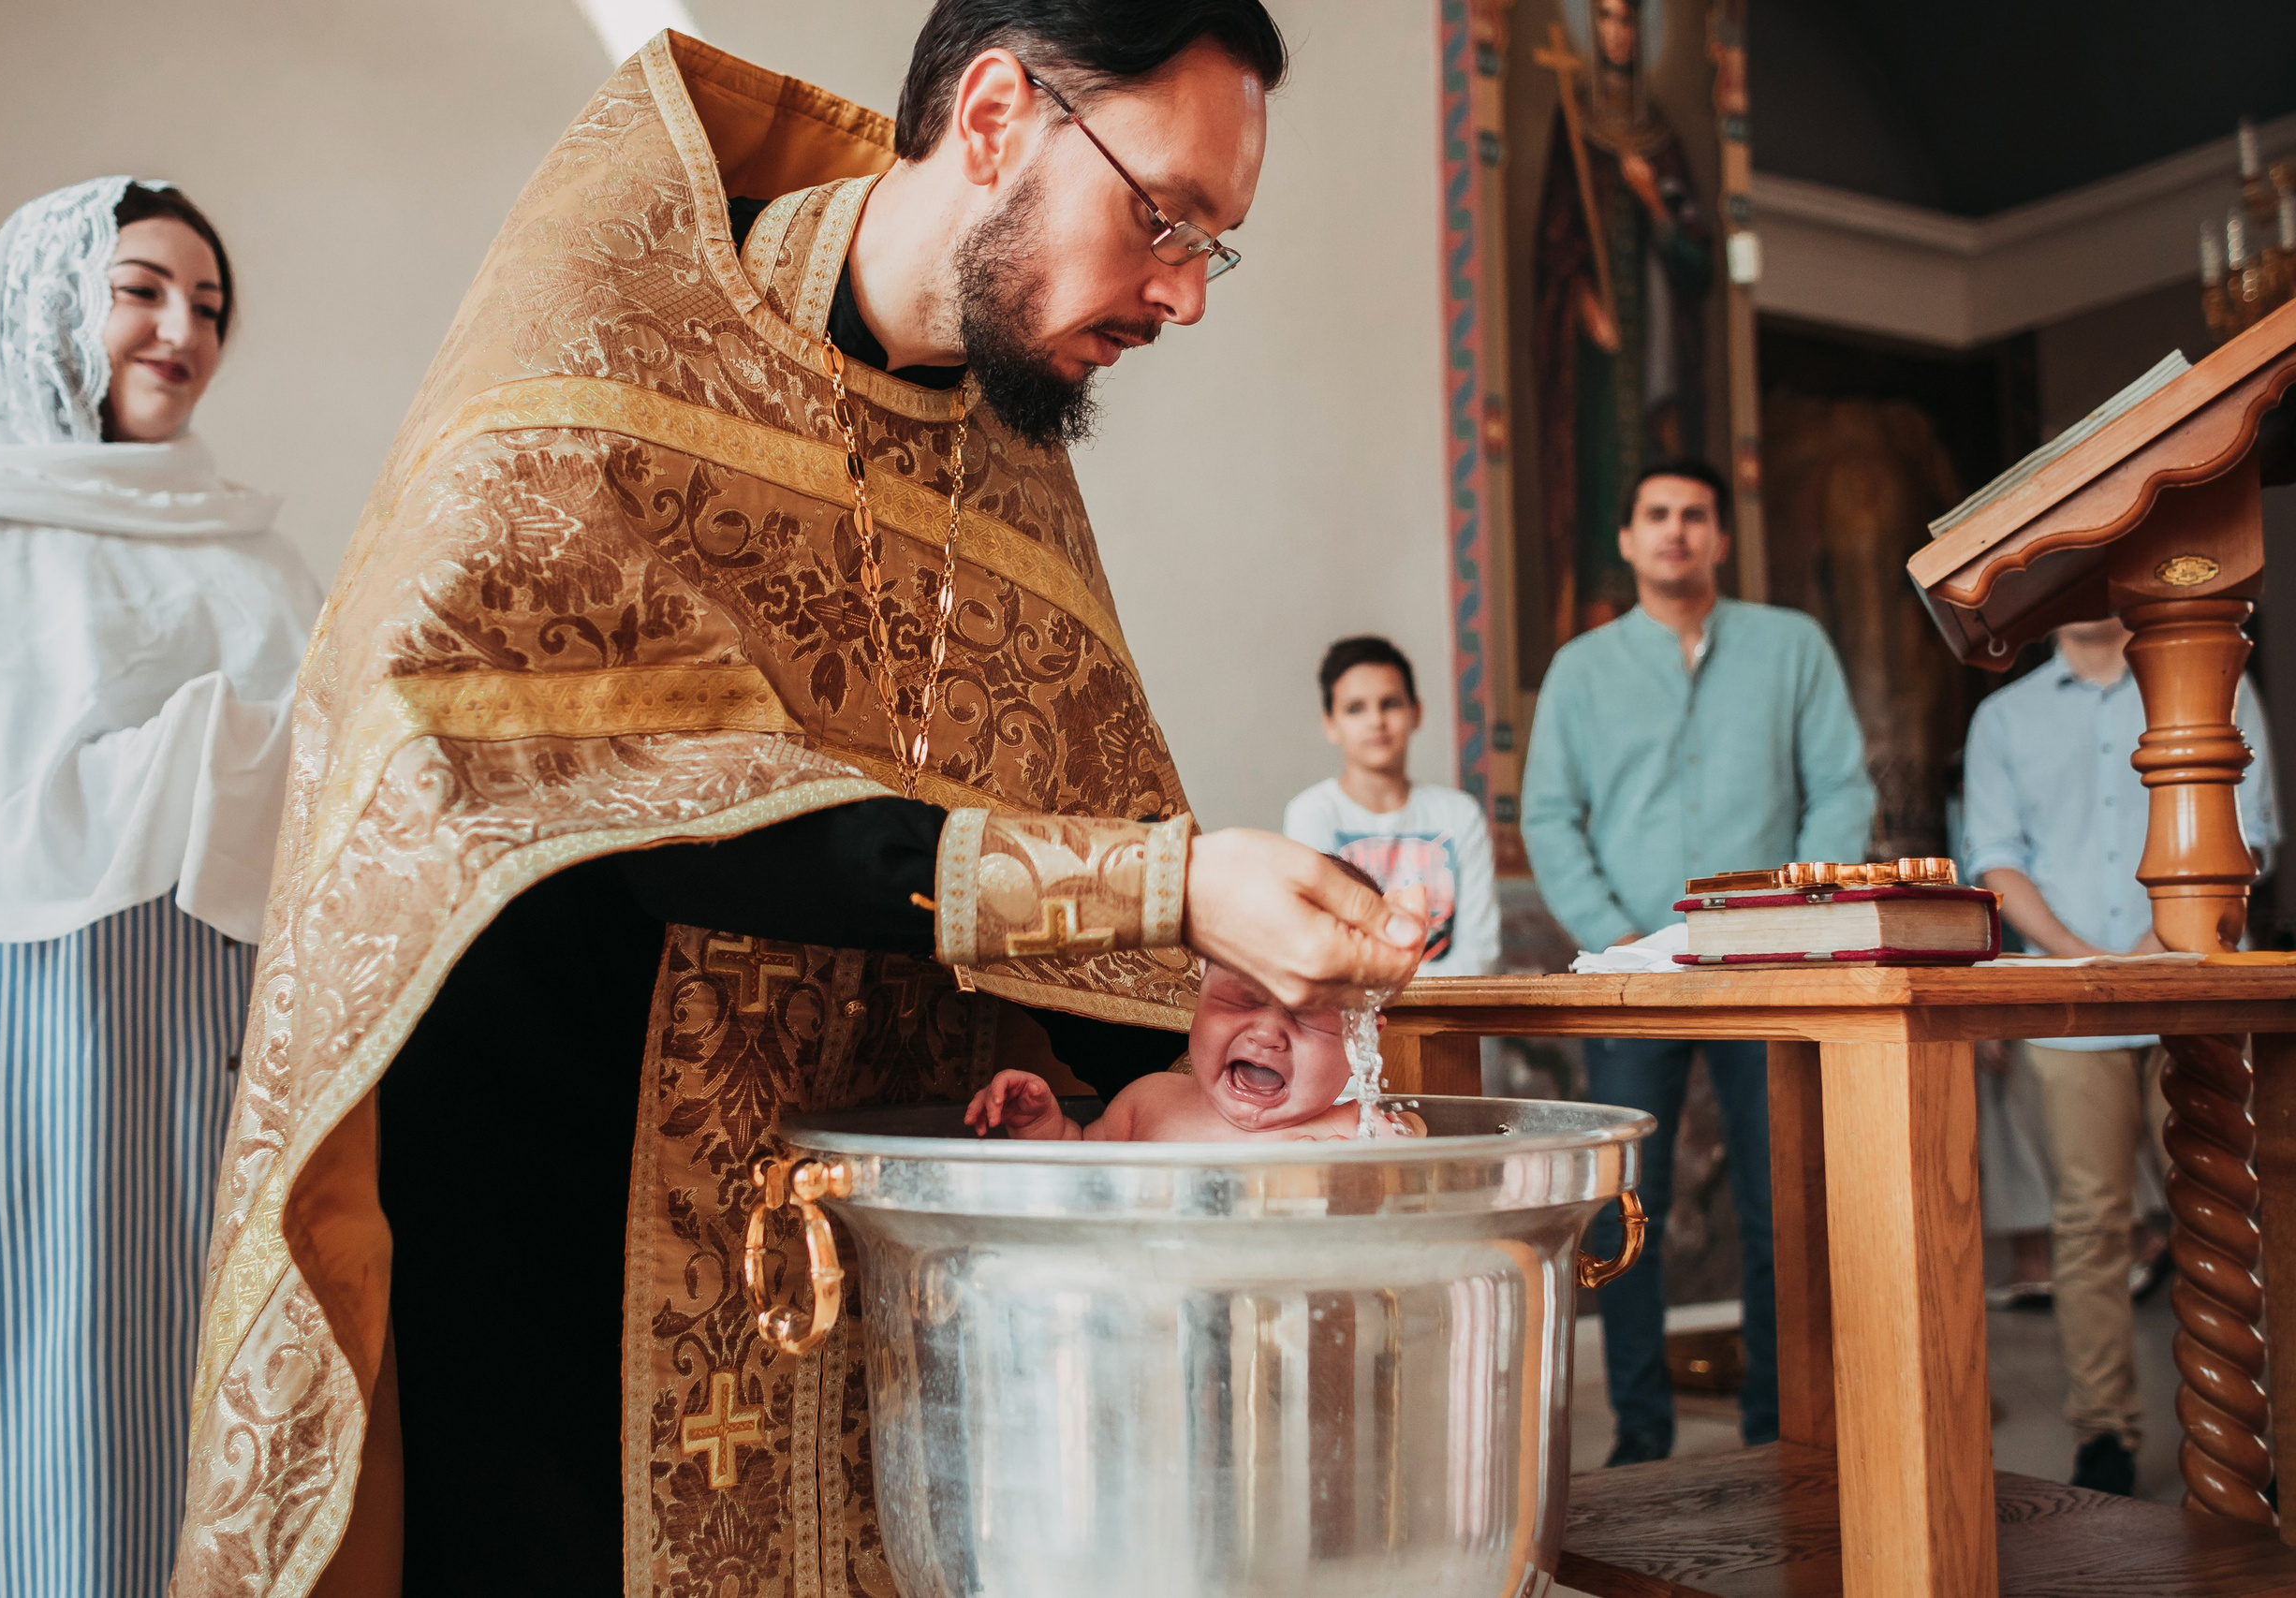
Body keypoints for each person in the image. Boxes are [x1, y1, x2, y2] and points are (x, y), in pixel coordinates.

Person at [168, 9, 1430, 1595]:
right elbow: (615, 784)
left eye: (1210, 249)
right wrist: (1170, 889)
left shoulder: (1005, 451)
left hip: (879, 1278)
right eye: (1164, 215)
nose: (1180, 290)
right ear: (991, 118)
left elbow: (1078, 839)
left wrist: (1250, 1028)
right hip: (560, 1226)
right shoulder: (610, 325)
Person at [0, 178, 319, 1595]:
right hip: (7, 1034)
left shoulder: (254, 551)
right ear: (50, 297)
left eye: (207, 305)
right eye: (141, 288)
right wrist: (213, 743)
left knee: (176, 1393)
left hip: (207, 1039)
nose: (180, 330)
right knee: (11, 1392)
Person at [1519, 457, 1873, 1464]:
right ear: (1628, 541)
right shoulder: (1583, 668)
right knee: (1627, 1211)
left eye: (1695, 516)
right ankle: (1639, 1436)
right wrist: (1614, 935)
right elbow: (1547, 814)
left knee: (1781, 1204)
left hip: (1764, 969)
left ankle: (1781, 1430)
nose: (1675, 531)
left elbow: (1839, 791)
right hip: (1630, 973)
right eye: (1656, 515)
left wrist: (1786, 919)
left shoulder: (1790, 647)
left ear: (1720, 536)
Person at [1962, 615, 2279, 1496]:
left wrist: (2156, 947)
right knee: (2089, 1221)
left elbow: (2249, 833)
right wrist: (2076, 957)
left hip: (2197, 988)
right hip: (2072, 1007)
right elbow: (1994, 858)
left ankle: (2260, 1432)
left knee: (2236, 1215)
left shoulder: (2214, 679)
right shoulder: (2005, 719)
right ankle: (2105, 1434)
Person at [1531, 0, 1713, 641]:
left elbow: (1699, 261)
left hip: (1657, 363)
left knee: (1662, 485)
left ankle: (1666, 638)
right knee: (1602, 501)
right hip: (1599, 367)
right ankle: (1597, 646)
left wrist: (1650, 203)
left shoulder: (1662, 143)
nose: (1617, 32)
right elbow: (1555, 245)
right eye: (1605, 17)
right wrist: (1580, 296)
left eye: (1627, 19)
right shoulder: (1576, 122)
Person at [966, 952, 1423, 1143]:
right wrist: (1044, 1128)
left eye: (1307, 1016)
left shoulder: (1357, 1134)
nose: (1266, 1034)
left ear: (1360, 1040)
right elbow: (1082, 1178)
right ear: (1200, 994)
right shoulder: (1151, 1101)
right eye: (1240, 999)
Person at [1284, 635, 1501, 978]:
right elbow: (1318, 948)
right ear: (1330, 723)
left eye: (1390, 704)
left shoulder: (1460, 815)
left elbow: (1481, 955)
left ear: (1417, 713)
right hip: (1346, 1024)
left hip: (1452, 1016)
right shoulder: (1311, 814)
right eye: (1355, 708)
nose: (1376, 721)